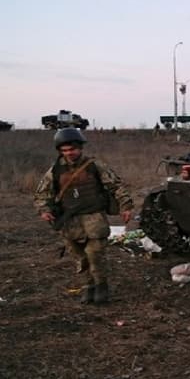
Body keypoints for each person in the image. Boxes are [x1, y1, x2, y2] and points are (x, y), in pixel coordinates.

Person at [34, 128, 133, 305]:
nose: (69, 153)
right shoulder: (55, 171)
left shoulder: (95, 166)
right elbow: (42, 194)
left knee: (94, 254)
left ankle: (101, 286)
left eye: (72, 149)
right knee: (80, 257)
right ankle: (88, 286)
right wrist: (44, 210)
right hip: (69, 222)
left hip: (94, 218)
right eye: (64, 150)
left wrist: (125, 206)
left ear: (80, 147)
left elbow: (116, 186)